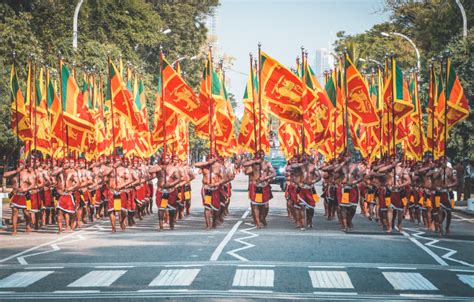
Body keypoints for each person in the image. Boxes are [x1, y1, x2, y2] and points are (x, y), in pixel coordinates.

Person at [243, 150, 276, 229]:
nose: (261, 156)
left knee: (265, 205)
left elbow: (274, 173)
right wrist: (254, 161)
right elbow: (244, 164)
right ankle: (257, 222)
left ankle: (262, 218)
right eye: (259, 154)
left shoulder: (267, 163)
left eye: (262, 154)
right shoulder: (253, 163)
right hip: (255, 186)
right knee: (255, 205)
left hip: (264, 186)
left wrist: (266, 177)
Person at [4, 160, 34, 235]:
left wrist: (25, 189)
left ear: (24, 165)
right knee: (14, 211)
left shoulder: (28, 174)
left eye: (21, 164)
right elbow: (4, 175)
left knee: (26, 213)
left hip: (25, 195)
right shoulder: (14, 173)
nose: (19, 165)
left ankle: (28, 223)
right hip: (14, 195)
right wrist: (15, 171)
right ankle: (14, 230)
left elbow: (32, 184)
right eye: (18, 164)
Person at [195, 154, 225, 229]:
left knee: (216, 208)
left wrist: (217, 183)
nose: (211, 159)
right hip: (206, 189)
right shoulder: (204, 166)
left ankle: (214, 222)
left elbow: (224, 178)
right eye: (209, 158)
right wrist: (207, 163)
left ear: (215, 158)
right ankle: (208, 224)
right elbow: (196, 164)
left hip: (215, 189)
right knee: (207, 207)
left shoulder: (219, 167)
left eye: (212, 157)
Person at [154, 154, 181, 231]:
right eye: (164, 158)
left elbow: (178, 179)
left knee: (171, 209)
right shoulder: (158, 167)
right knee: (161, 208)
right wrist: (160, 167)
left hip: (171, 191)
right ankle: (161, 226)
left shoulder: (173, 169)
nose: (165, 159)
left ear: (169, 159)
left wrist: (171, 184)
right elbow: (150, 170)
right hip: (161, 191)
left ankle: (171, 223)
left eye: (167, 158)